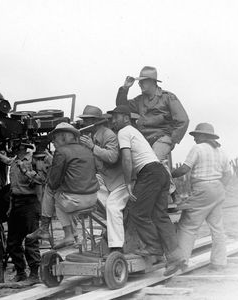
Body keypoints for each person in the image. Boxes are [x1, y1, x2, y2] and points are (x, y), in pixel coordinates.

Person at [108, 105, 185, 276]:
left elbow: (127, 159)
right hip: (160, 173)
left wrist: (128, 183)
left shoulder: (123, 132)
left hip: (149, 173)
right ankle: (176, 257)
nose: (113, 121)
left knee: (137, 212)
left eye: (116, 117)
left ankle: (154, 247)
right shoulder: (134, 132)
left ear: (126, 118)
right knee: (160, 216)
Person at [116, 66, 189, 200]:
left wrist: (172, 140)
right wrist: (125, 88)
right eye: (139, 82)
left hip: (162, 137)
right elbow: (121, 108)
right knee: (142, 164)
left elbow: (183, 120)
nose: (139, 84)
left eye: (143, 81)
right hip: (145, 140)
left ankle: (174, 193)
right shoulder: (139, 100)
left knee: (153, 162)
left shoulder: (168, 97)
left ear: (153, 82)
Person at [27, 122, 99, 249]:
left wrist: (49, 167)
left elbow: (53, 182)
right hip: (93, 198)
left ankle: (44, 228)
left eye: (55, 139)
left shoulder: (61, 151)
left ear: (64, 137)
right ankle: (68, 235)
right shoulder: (86, 149)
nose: (53, 142)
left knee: (50, 190)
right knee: (58, 198)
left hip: (76, 201)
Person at [172, 123, 231, 270]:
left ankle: (181, 263)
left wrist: (169, 174)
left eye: (197, 135)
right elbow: (228, 174)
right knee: (217, 228)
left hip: (202, 188)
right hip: (217, 188)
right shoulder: (221, 151)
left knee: (187, 225)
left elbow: (185, 168)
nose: (194, 139)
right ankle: (219, 263)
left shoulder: (198, 148)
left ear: (204, 136)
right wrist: (220, 187)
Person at [78, 105, 129, 252]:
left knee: (113, 208)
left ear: (95, 121)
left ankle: (117, 247)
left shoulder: (108, 135)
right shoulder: (91, 136)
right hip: (107, 181)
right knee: (91, 190)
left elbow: (112, 157)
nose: (83, 123)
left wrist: (92, 147)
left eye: (86, 120)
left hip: (120, 182)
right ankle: (117, 229)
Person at [7, 140, 43, 283]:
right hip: (16, 203)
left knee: (31, 240)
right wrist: (10, 207)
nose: (11, 148)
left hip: (29, 203)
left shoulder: (33, 161)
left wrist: (26, 171)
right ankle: (20, 272)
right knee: (12, 242)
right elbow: (12, 188)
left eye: (14, 145)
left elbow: (41, 180)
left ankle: (34, 274)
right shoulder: (14, 162)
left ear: (21, 147)